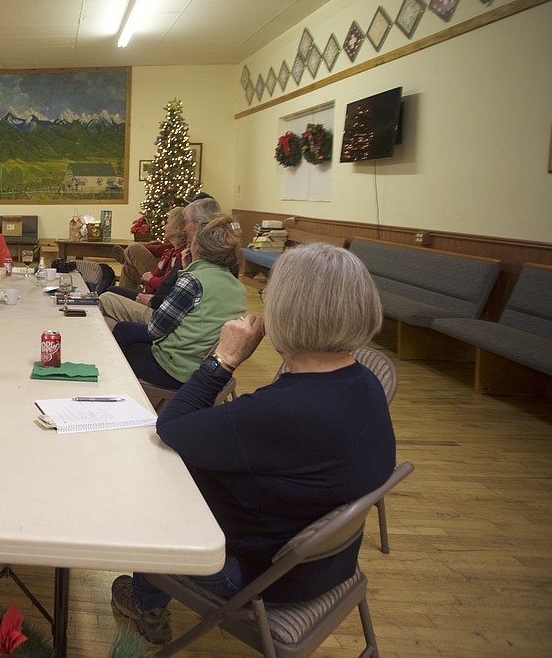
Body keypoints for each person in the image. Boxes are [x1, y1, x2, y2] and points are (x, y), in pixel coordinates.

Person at [111, 243, 396, 645]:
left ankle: (145, 602)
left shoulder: (280, 412)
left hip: (256, 580)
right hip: (329, 566)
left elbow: (171, 426)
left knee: (158, 479)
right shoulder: (364, 384)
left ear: (284, 312)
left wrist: (223, 359)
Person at [112, 214, 246, 388]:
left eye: (191, 241)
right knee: (127, 332)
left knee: (123, 333)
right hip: (208, 370)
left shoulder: (193, 280)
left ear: (197, 248)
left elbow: (156, 329)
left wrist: (187, 270)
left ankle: (114, 388)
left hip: (176, 371)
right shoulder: (237, 287)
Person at [99, 206, 186, 330]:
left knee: (110, 291)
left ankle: (125, 257)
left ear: (177, 228)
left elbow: (167, 284)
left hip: (155, 299)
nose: (164, 226)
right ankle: (127, 258)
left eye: (167, 223)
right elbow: (156, 249)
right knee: (129, 268)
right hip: (151, 289)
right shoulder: (169, 250)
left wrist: (150, 279)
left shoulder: (183, 256)